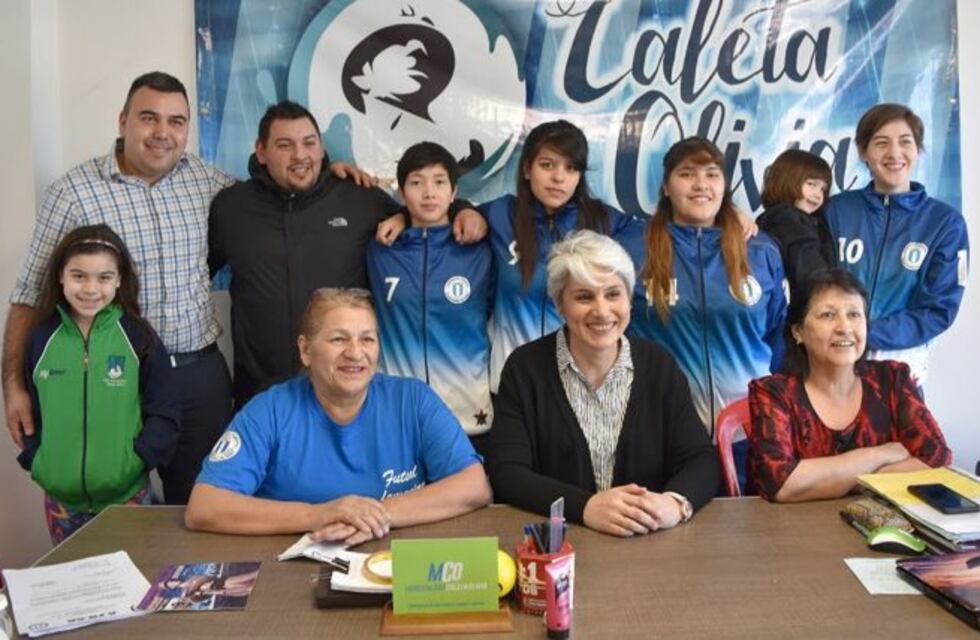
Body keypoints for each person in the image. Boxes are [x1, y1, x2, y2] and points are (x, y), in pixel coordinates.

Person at [4, 72, 229, 505]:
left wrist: (333, 172)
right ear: (123, 120)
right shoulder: (73, 193)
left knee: (203, 503)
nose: (163, 133)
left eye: (177, 121)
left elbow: (266, 199)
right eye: (149, 118)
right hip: (113, 379)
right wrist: (13, 387)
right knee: (113, 514)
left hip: (198, 377)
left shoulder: (205, 180)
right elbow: (29, 295)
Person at [209, 101, 486, 408]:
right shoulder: (231, 208)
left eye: (309, 143)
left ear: (322, 147)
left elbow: (423, 211)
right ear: (261, 151)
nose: (300, 155)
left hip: (345, 393)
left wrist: (461, 209)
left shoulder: (359, 198)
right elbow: (199, 271)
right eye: (284, 145)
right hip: (261, 393)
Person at [184, 288, 490, 541]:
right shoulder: (269, 411)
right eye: (338, 339)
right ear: (305, 350)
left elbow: (474, 486)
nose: (356, 353)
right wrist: (318, 514)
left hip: (395, 566)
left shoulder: (413, 399)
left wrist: (372, 515)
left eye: (367, 339)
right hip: (289, 575)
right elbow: (204, 506)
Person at [486, 230, 719, 536]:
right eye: (584, 296)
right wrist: (585, 507)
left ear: (629, 299)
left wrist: (674, 503)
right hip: (561, 548)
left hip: (649, 544)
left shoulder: (658, 365)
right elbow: (507, 473)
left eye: (613, 293)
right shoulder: (524, 368)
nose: (601, 310)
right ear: (560, 305)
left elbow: (701, 459)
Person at [17, 225, 180, 543]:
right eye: (79, 276)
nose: (91, 288)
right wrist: (39, 461)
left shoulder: (139, 338)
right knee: (73, 586)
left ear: (119, 280)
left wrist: (134, 463)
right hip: (62, 505)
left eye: (104, 277)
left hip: (126, 498)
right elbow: (31, 411)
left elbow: (165, 411)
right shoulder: (40, 339)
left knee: (132, 586)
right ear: (61, 276)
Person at [625, 137, 787, 435]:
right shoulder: (632, 249)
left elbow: (777, 336)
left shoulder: (761, 251)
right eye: (687, 174)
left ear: (724, 186)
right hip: (662, 432)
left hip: (750, 431)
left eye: (712, 174)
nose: (701, 184)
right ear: (665, 187)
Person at [747, 268, 951, 502]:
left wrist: (841, 482)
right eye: (827, 315)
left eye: (854, 314)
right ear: (797, 331)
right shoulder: (773, 393)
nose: (844, 328)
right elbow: (780, 483)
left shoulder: (892, 379)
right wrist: (880, 455)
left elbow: (936, 459)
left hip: (884, 528)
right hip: (798, 532)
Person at [481, 120, 637, 393]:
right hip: (510, 385)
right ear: (527, 169)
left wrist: (729, 219)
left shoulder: (604, 222)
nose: (559, 178)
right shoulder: (501, 214)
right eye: (547, 165)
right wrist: (462, 210)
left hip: (581, 388)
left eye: (571, 167)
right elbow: (436, 211)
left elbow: (665, 231)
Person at [822, 103, 969, 387]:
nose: (894, 153)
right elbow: (813, 280)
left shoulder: (945, 223)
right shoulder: (837, 210)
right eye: (881, 143)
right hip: (833, 363)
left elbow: (938, 310)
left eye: (905, 142)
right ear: (864, 152)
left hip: (901, 370)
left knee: (897, 435)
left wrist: (864, 332)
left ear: (917, 150)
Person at [366, 142, 494, 441]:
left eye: (439, 182)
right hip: (396, 413)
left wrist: (468, 213)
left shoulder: (481, 248)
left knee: (473, 488)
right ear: (400, 192)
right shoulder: (380, 248)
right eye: (416, 182)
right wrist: (400, 217)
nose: (428, 193)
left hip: (467, 413)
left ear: (454, 192)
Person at [756, 149, 836, 300]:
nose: (818, 195)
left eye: (823, 189)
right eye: (811, 184)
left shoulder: (771, 218)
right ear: (788, 180)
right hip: (804, 307)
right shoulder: (791, 220)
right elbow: (811, 272)